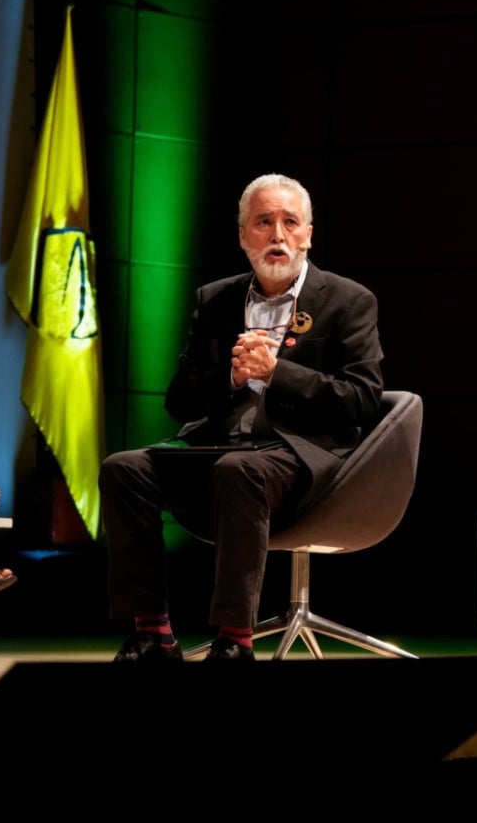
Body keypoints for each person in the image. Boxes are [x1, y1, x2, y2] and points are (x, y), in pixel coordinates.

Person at [101, 173, 384, 662]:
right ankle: (153, 632)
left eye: (290, 222)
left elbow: (361, 399)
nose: (278, 235)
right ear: (242, 235)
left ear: (308, 234)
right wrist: (230, 379)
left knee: (239, 471)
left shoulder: (348, 301)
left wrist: (278, 373)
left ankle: (235, 639)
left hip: (297, 456)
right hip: (219, 445)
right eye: (263, 222)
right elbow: (179, 401)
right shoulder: (215, 301)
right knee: (123, 468)